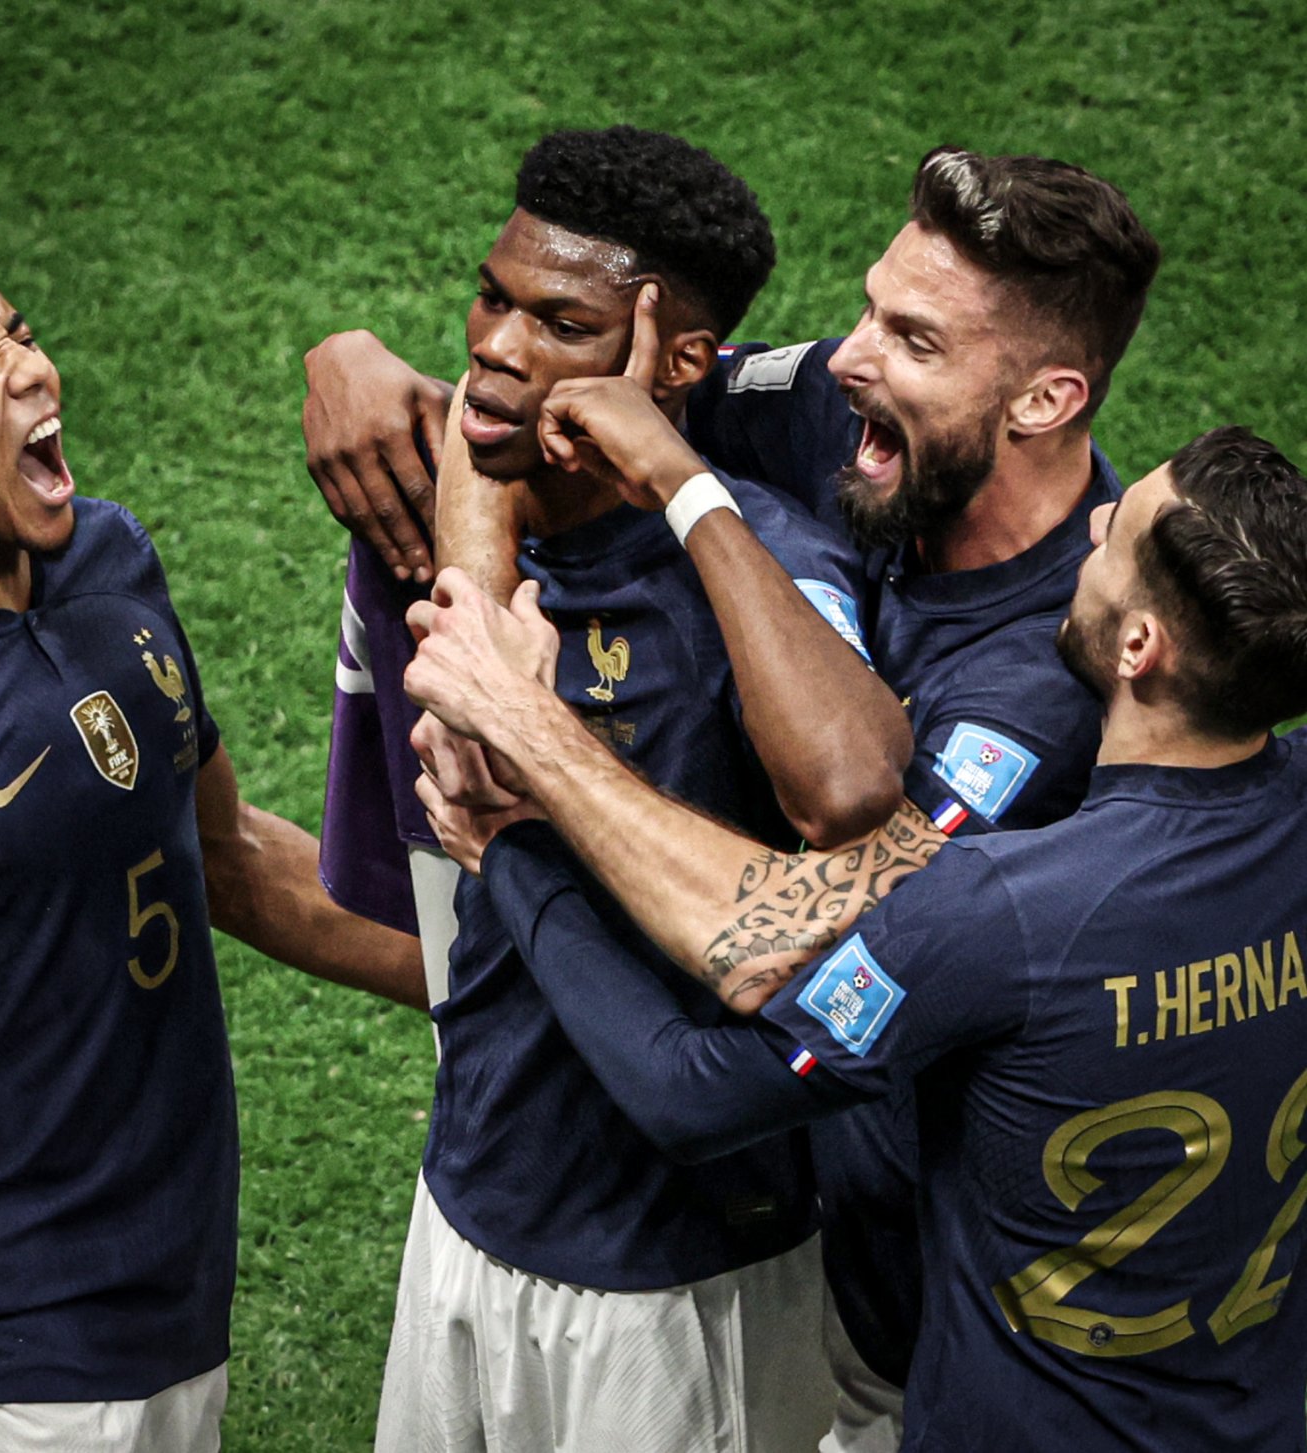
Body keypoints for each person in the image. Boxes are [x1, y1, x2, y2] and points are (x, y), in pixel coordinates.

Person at [309, 142, 1161, 1448]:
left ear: (1045, 399)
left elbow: (782, 944)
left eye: (912, 339)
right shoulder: (845, 412)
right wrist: (387, 405)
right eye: (870, 308)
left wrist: (519, 759)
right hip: (690, 1205)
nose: (846, 359)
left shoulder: (1041, 685)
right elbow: (521, 392)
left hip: (904, 1290)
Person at [407, 424, 1307, 1451]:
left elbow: (694, 1089)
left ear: (1139, 647)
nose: (1093, 521)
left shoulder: (1003, 912)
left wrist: (513, 845)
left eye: (1118, 534)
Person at [327, 125, 914, 1453]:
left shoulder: (752, 573)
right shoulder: (480, 514)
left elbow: (851, 790)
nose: (494, 345)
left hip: (683, 1273)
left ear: (673, 361)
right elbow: (453, 427)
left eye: (559, 323)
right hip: (467, 1207)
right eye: (489, 297)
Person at [0, 240, 425, 1453]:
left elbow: (227, 853)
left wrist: (498, 991)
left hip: (177, 1300)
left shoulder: (106, 561)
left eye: (19, 333)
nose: (31, 371)